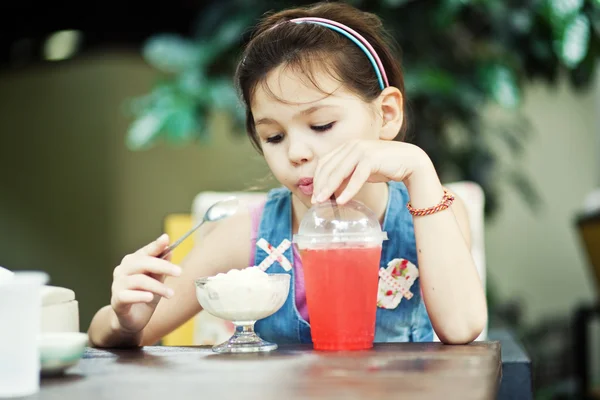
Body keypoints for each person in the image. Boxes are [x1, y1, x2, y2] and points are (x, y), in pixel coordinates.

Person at [88, 1, 487, 347]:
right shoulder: (248, 233)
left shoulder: (431, 216)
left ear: (386, 114)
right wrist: (125, 319)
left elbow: (462, 327)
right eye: (274, 136)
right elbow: (113, 334)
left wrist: (418, 166)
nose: (296, 153)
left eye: (322, 125)